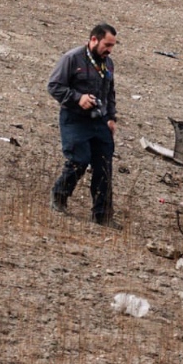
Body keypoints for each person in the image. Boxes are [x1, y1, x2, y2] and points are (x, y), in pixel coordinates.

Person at [48, 24, 119, 227]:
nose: (110, 50)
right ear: (94, 40)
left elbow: (110, 92)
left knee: (104, 167)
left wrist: (111, 117)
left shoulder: (109, 64)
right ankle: (59, 195)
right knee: (79, 160)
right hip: (75, 118)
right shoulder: (72, 58)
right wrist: (78, 98)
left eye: (113, 46)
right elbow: (53, 86)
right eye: (107, 45)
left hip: (100, 121)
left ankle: (102, 215)